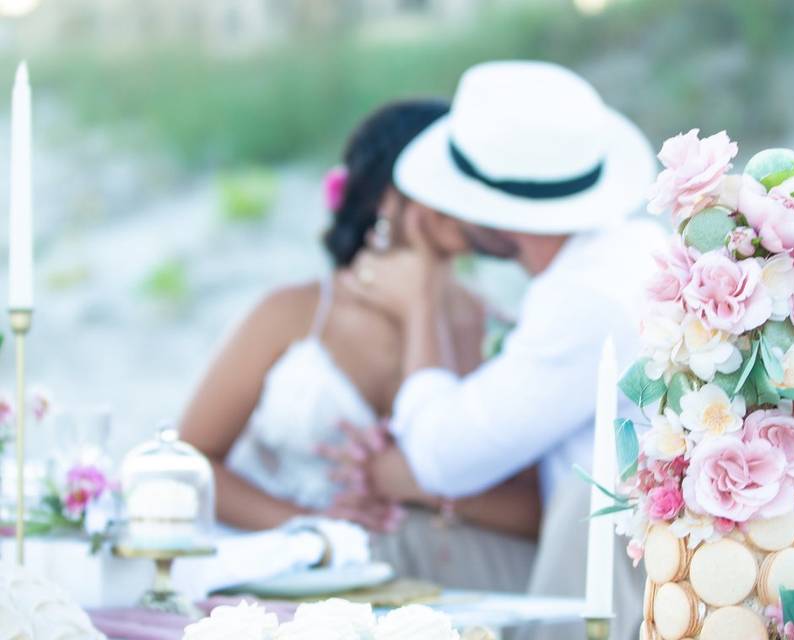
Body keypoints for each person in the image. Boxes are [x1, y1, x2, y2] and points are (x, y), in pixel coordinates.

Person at [326, 61, 667, 639]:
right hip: (600, 556)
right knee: (387, 545)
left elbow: (441, 459)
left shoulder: (584, 298)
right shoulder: (633, 248)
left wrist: (419, 307)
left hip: (624, 589)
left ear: (490, 210)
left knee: (382, 561)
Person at [177, 100, 540, 593]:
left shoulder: (497, 327)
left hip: (433, 585)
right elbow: (192, 460)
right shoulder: (291, 312)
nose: (472, 195)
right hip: (279, 577)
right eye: (450, 178)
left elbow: (538, 507)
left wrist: (422, 307)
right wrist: (313, 528)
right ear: (389, 195)